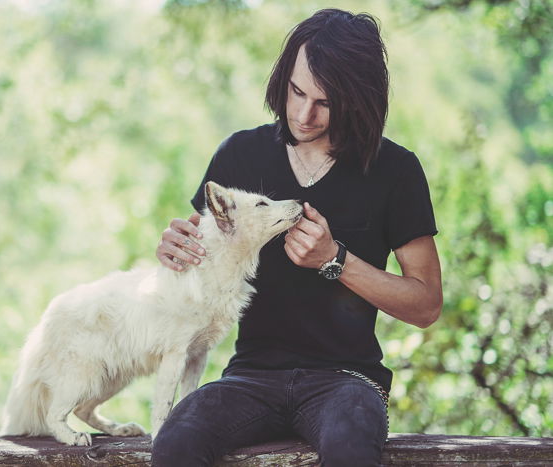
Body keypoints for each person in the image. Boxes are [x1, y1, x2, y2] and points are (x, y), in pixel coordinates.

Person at [151, 8, 442, 467]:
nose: (304, 114)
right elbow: (193, 271)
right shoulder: (239, 155)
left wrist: (336, 259)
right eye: (297, 92)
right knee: (176, 439)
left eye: (325, 103)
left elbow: (426, 305)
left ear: (358, 99)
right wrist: (171, 252)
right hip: (249, 377)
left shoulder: (396, 171)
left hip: (347, 382)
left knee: (350, 446)